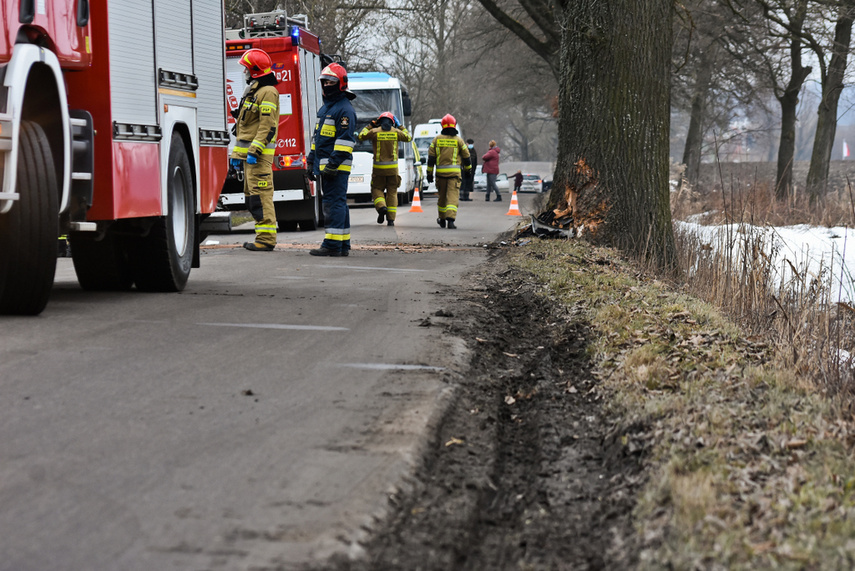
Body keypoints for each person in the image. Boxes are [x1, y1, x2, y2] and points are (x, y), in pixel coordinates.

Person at [230, 48, 280, 251]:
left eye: (246, 69)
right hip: (249, 157)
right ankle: (262, 236)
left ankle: (266, 239)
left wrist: (254, 151)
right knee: (253, 198)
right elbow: (247, 127)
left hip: (258, 157)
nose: (244, 72)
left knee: (261, 196)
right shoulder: (255, 90)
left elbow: (267, 126)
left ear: (255, 70)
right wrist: (237, 154)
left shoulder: (267, 92)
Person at [306, 63, 356, 256]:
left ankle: (332, 245)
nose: (327, 85)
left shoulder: (344, 110)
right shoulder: (325, 109)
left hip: (337, 167)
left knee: (333, 203)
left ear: (340, 84)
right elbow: (317, 140)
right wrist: (311, 161)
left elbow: (345, 142)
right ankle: (342, 245)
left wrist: (333, 164)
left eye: (331, 82)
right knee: (338, 203)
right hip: (325, 166)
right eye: (324, 82)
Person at [357, 111, 411, 226]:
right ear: (392, 122)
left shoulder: (374, 132)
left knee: (377, 189)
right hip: (393, 170)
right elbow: (408, 137)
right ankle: (390, 220)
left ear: (379, 122)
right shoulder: (396, 132)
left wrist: (371, 125)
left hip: (378, 170)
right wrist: (400, 125)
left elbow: (361, 135)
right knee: (392, 192)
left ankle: (381, 207)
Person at [427, 114, 471, 229]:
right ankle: (450, 220)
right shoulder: (459, 141)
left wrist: (429, 174)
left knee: (442, 197)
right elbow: (467, 157)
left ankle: (442, 219)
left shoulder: (436, 140)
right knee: (452, 197)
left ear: (443, 125)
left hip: (440, 175)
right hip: (454, 175)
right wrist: (468, 170)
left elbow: (431, 158)